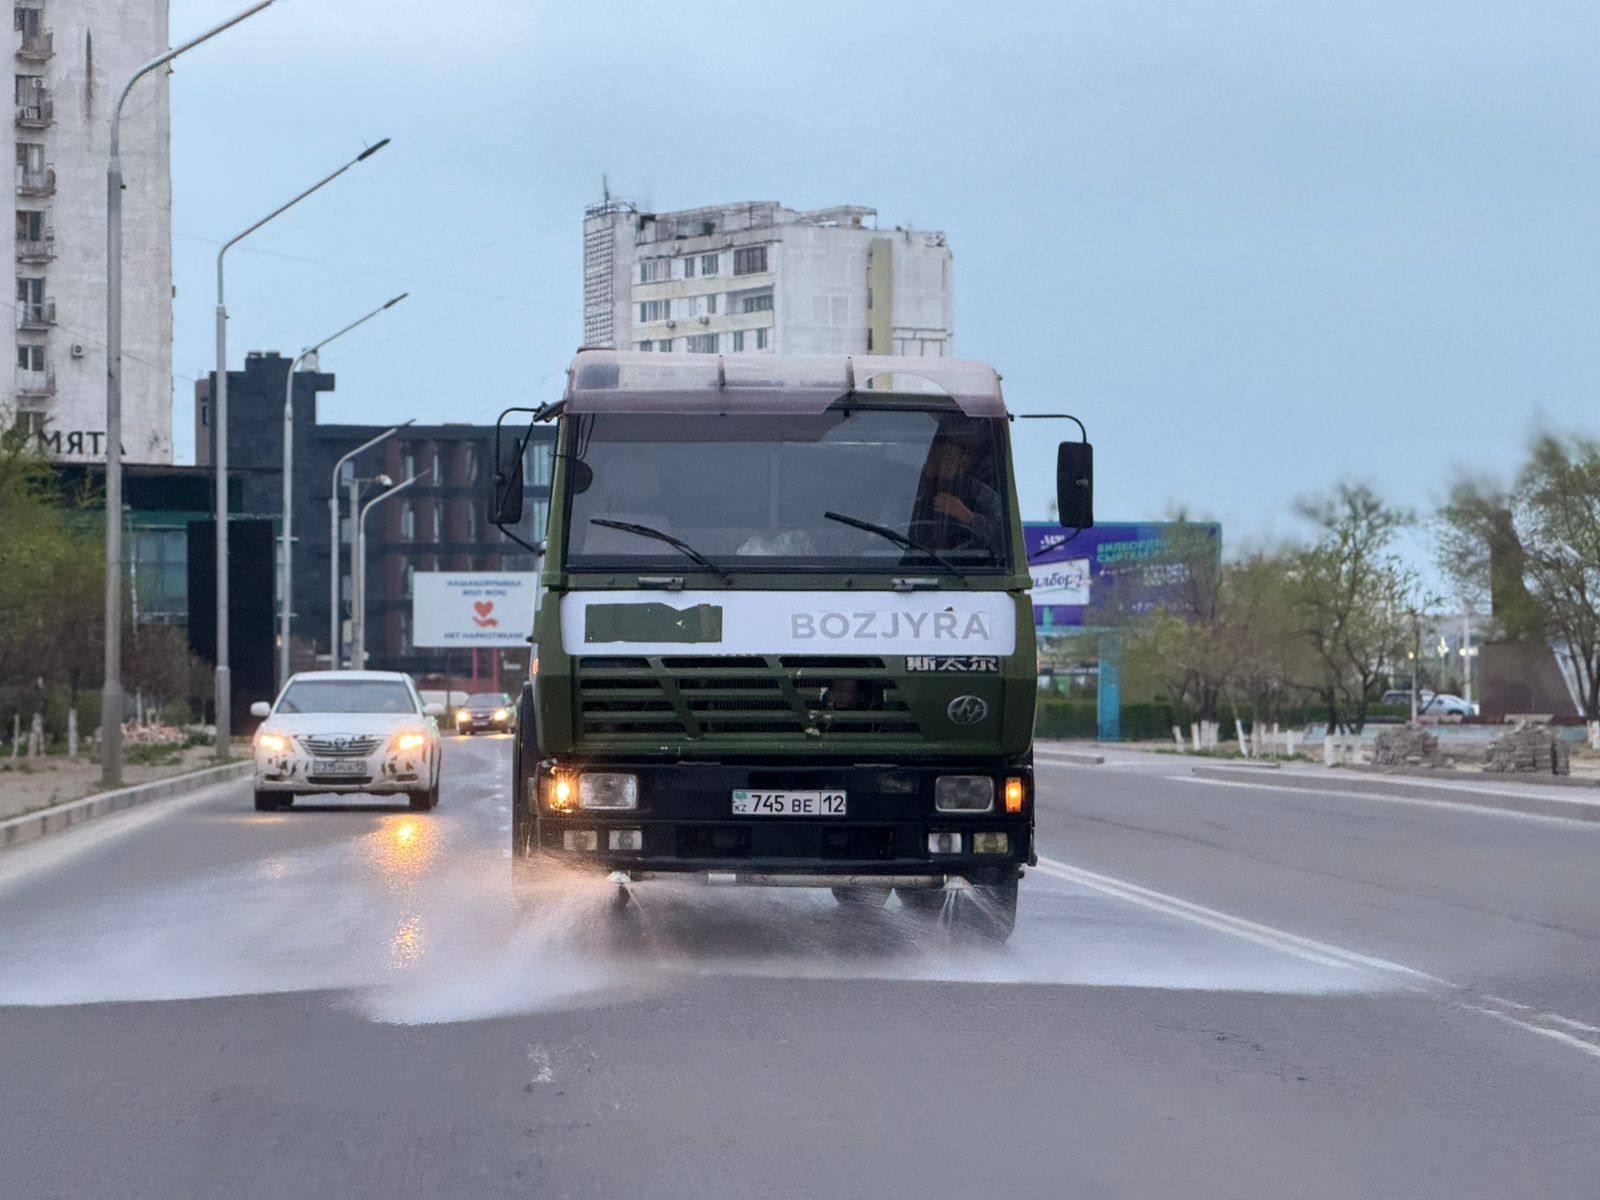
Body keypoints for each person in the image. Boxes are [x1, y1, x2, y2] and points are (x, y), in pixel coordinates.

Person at [910, 419, 1003, 553]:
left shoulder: (981, 495)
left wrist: (967, 517)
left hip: (966, 568)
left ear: (963, 463)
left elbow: (1002, 542)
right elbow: (887, 528)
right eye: (935, 458)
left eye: (947, 458)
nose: (940, 466)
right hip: (909, 566)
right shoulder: (912, 490)